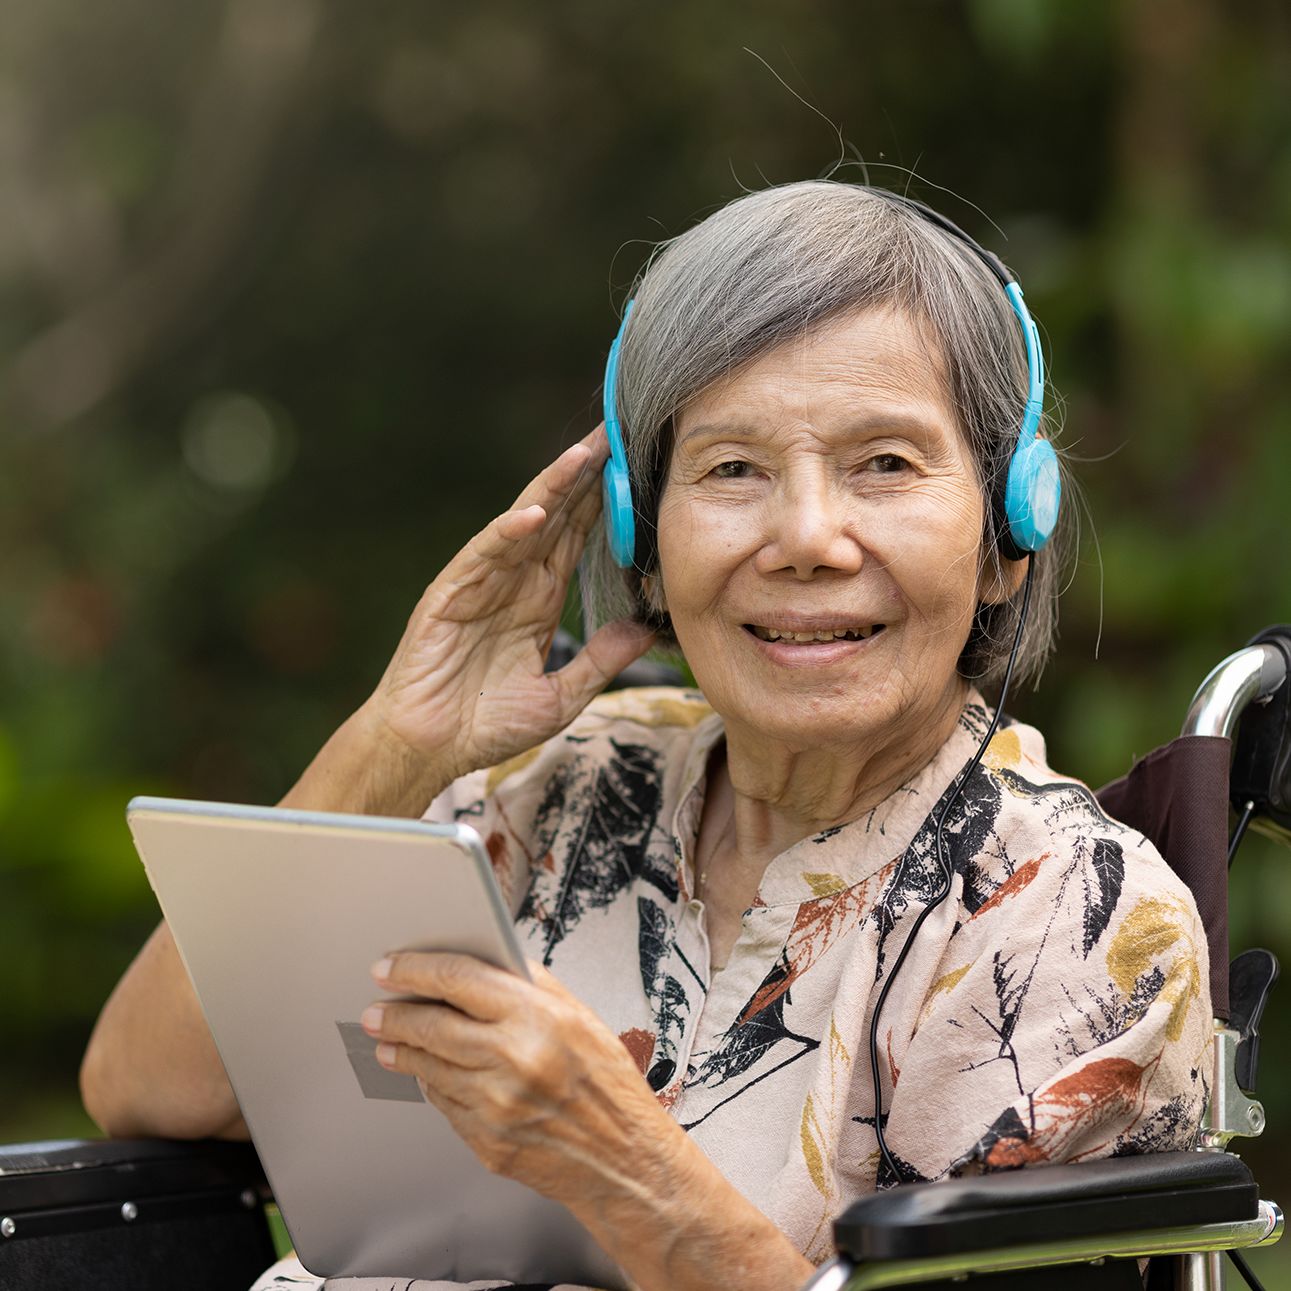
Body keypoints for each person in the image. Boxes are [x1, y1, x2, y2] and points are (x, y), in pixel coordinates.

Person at [80, 181, 1211, 1291]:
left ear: (1010, 528)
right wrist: (400, 741)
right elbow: (148, 1089)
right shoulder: (561, 785)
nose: (808, 536)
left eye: (885, 462)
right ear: (642, 531)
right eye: (732, 469)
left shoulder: (1067, 918)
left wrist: (622, 1165)